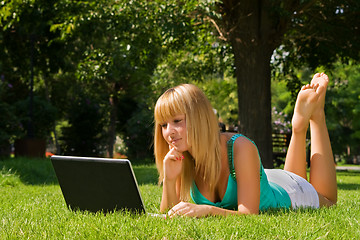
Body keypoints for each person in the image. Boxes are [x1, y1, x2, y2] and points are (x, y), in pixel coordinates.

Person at [153, 73, 337, 217]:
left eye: (177, 121)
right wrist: (169, 179)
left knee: (329, 201)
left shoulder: (240, 147)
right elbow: (169, 214)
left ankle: (315, 117)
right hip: (265, 179)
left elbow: (249, 215)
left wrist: (206, 210)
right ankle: (298, 127)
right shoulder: (182, 156)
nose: (169, 132)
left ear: (199, 119)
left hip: (291, 192)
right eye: (163, 125)